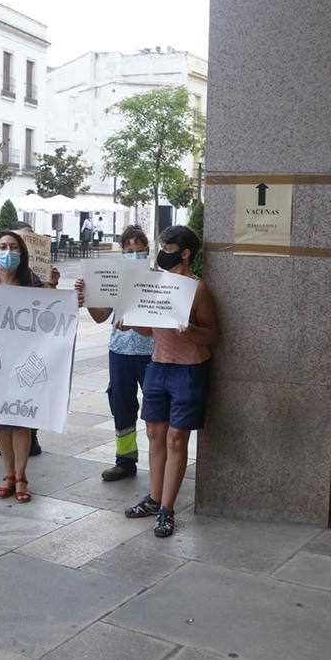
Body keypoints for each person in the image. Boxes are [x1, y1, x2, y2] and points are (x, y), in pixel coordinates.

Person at [121, 225, 216, 538]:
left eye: (167, 248)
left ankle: (167, 509)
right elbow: (150, 329)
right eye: (160, 246)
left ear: (185, 253)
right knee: (154, 432)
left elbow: (213, 334)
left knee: (177, 437)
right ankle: (153, 497)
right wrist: (130, 323)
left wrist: (190, 330)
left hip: (189, 368)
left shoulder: (196, 288)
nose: (161, 254)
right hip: (159, 364)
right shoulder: (153, 284)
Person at [74, 225, 154, 481]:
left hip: (152, 353)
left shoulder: (158, 279)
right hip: (119, 350)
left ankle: (160, 462)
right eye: (129, 251)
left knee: (155, 409)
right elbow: (100, 317)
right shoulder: (114, 279)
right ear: (122, 252)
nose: (134, 255)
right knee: (121, 405)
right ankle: (125, 460)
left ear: (148, 250)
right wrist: (86, 296)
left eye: (139, 250)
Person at [0, 230, 49, 503]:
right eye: (3, 246)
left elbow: (50, 314)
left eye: (14, 247)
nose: (8, 252)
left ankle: (21, 476)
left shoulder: (32, 282)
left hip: (24, 363)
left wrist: (55, 291)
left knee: (21, 422)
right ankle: (7, 474)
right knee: (1, 421)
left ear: (22, 253)